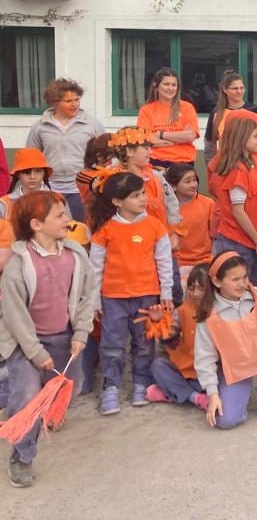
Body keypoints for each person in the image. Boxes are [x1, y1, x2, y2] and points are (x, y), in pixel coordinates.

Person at [0, 191, 97, 488]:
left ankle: (13, 399)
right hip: (25, 343)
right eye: (59, 215)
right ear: (36, 224)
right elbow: (14, 316)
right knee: (28, 396)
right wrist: (36, 353)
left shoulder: (75, 255)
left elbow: (87, 295)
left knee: (73, 387)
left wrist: (81, 332)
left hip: (64, 338)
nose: (67, 219)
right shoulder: (18, 264)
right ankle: (22, 455)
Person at [89, 172, 173, 416]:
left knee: (145, 343)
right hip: (113, 297)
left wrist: (165, 293)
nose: (143, 199)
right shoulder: (105, 231)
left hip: (147, 296)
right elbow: (95, 268)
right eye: (136, 196)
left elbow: (164, 262)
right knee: (112, 344)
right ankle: (111, 386)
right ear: (117, 201)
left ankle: (141, 383)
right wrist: (95, 298)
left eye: (143, 194)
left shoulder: (155, 226)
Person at [194, 251, 257, 430]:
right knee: (225, 421)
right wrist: (213, 394)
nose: (242, 284)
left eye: (244, 277)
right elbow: (204, 359)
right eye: (234, 279)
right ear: (217, 282)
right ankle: (240, 396)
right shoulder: (209, 313)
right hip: (235, 368)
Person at [24, 78, 105, 222]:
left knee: (82, 233)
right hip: (50, 189)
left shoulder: (92, 124)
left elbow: (105, 154)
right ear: (55, 102)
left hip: (82, 189)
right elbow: (30, 158)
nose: (74, 104)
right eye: (68, 101)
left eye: (77, 99)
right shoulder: (40, 126)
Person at [207, 117, 257, 286]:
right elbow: (238, 211)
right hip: (240, 241)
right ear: (241, 139)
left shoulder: (249, 163)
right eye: (255, 136)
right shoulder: (239, 170)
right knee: (243, 288)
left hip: (246, 239)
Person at [145, 264, 210, 412]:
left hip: (209, 374)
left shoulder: (220, 310)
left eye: (201, 288)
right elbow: (168, 335)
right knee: (158, 366)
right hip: (185, 370)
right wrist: (158, 321)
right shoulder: (182, 310)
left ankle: (171, 393)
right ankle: (196, 398)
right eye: (191, 288)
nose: (195, 294)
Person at [164, 163, 216, 294]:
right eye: (187, 181)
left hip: (204, 260)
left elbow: (216, 236)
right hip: (176, 264)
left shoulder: (208, 204)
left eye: (195, 180)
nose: (193, 184)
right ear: (173, 186)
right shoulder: (163, 209)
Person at [136, 68, 200, 167]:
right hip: (155, 162)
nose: (170, 88)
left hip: (183, 162)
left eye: (174, 85)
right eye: (166, 84)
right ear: (156, 86)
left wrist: (160, 135)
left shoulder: (187, 107)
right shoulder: (146, 110)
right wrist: (178, 139)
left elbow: (190, 136)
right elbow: (145, 141)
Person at [203, 71, 257, 161]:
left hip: (249, 164)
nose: (239, 91)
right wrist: (210, 166)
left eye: (242, 88)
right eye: (235, 88)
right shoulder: (217, 112)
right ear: (225, 89)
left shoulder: (253, 110)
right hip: (225, 165)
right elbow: (209, 142)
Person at [1, 148, 53, 220]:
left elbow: (68, 228)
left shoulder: (57, 200)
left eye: (38, 171)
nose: (32, 177)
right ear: (18, 174)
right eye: (27, 172)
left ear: (44, 173)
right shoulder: (5, 203)